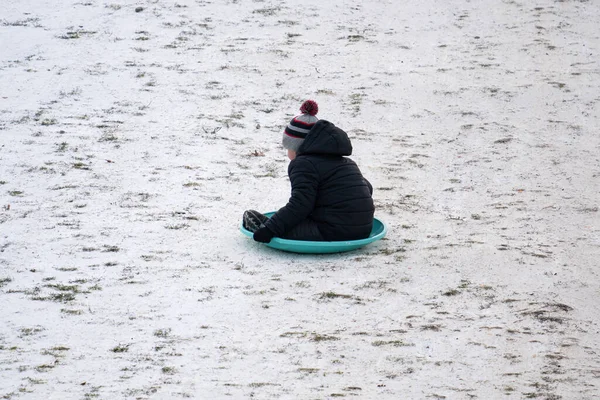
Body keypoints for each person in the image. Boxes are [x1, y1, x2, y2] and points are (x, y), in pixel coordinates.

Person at [243, 100, 374, 243]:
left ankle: (266, 227)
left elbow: (300, 204)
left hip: (331, 232)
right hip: (363, 229)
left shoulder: (303, 164)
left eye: (288, 147)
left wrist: (270, 230)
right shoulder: (346, 163)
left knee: (272, 225)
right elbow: (366, 188)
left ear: (298, 148)